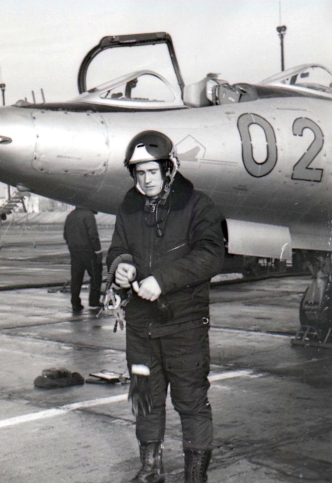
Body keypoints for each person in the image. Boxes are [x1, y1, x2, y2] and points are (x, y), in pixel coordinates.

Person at [106, 131, 224, 483]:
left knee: (191, 403)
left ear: (169, 168)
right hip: (141, 330)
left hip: (183, 327)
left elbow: (211, 255)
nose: (146, 180)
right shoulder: (128, 207)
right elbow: (116, 249)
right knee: (144, 400)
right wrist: (120, 266)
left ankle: (195, 476)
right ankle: (151, 469)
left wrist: (163, 280)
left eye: (152, 172)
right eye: (139, 173)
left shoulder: (198, 205)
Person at [64, 206, 103, 312]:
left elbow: (65, 235)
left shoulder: (70, 215)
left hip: (75, 252)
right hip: (88, 251)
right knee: (96, 275)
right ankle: (94, 301)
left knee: (76, 278)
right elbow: (93, 235)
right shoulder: (88, 215)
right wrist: (98, 251)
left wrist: (72, 247)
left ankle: (75, 303)